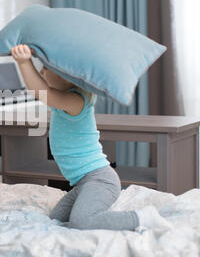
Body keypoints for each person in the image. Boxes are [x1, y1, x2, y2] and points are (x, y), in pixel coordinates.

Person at [11, 44, 172, 231]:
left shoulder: (76, 100)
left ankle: (141, 217)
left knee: (82, 222)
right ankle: (98, 210)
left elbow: (41, 93)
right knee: (56, 218)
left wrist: (24, 63)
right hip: (82, 183)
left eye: (47, 68)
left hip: (100, 180)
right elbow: (45, 91)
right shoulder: (63, 100)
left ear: (69, 77)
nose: (41, 71)